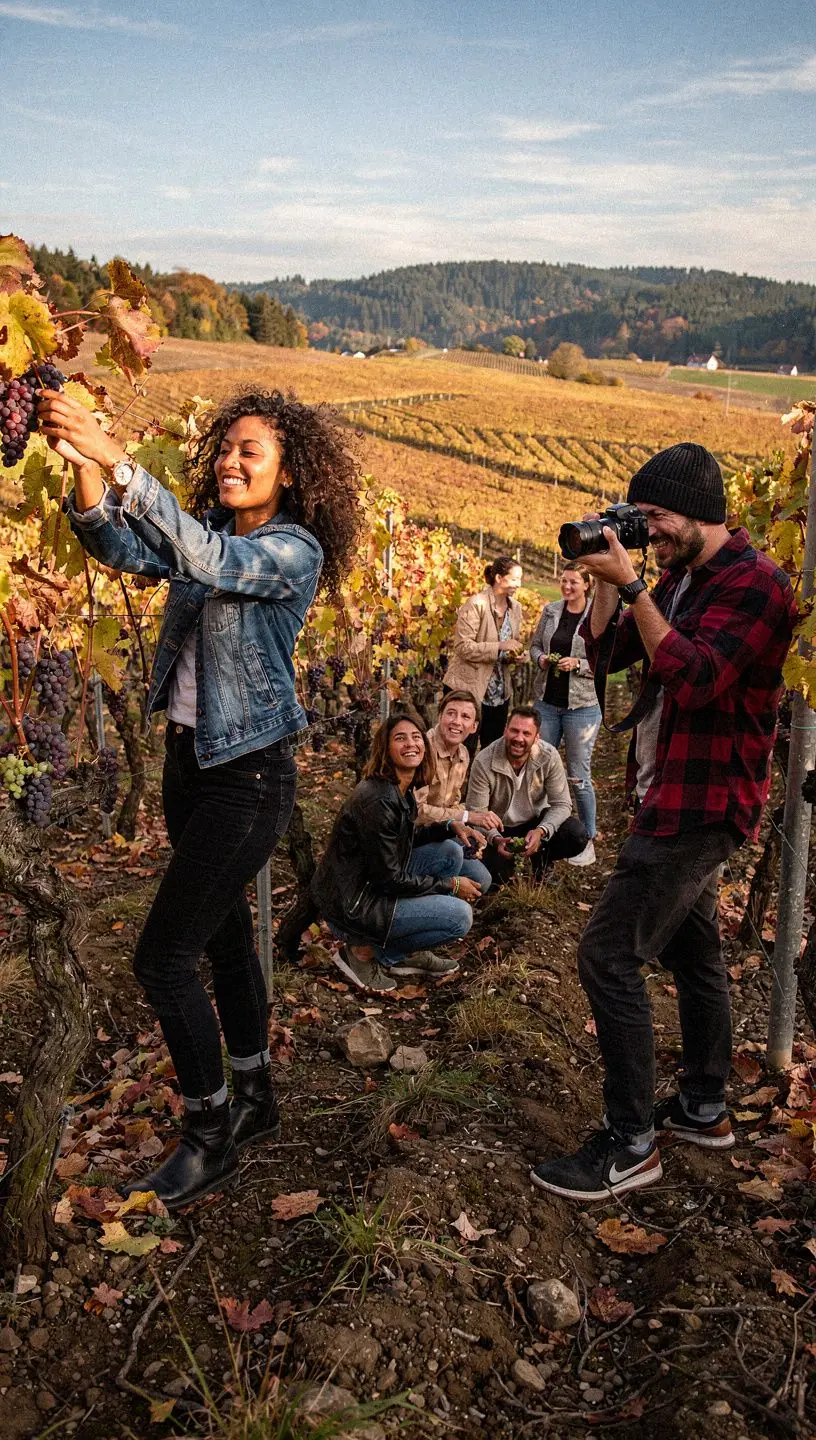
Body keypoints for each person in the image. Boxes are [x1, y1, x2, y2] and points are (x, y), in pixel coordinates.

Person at [39, 385, 361, 1208]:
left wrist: (116, 455)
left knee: (161, 960)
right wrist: (83, 467)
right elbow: (121, 546)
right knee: (221, 947)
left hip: (249, 777)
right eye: (226, 448)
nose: (230, 461)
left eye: (250, 452)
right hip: (192, 766)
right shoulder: (209, 532)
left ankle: (209, 1132)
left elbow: (210, 565)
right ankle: (253, 1098)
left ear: (289, 475)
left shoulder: (292, 551)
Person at [531, 443, 797, 1203]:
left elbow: (693, 674)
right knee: (694, 947)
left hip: (702, 804)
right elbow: (607, 655)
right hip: (666, 788)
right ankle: (704, 1106)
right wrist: (610, 588)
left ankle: (630, 1143)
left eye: (655, 518)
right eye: (639, 519)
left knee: (608, 957)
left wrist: (637, 583)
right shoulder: (680, 573)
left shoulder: (755, 585)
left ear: (701, 511)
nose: (648, 533)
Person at [311, 708, 489, 990]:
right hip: (356, 906)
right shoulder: (379, 800)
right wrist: (449, 885)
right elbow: (389, 879)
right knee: (459, 917)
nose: (411, 744)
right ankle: (363, 953)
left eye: (416, 737)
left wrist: (447, 826)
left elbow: (404, 838)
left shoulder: (398, 788)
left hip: (367, 888)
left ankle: (403, 952)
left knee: (449, 852)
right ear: (386, 748)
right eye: (400, 739)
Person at [465, 707, 587, 884]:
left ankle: (542, 859)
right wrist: (496, 839)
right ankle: (508, 863)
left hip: (535, 822)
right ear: (505, 730)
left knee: (576, 835)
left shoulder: (548, 756)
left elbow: (562, 804)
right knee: (496, 877)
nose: (518, 738)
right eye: (514, 730)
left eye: (526, 733)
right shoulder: (484, 761)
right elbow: (476, 811)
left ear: (537, 737)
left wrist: (541, 830)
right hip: (499, 828)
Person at [530, 563, 601, 866]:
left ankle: (587, 838)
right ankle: (541, 832)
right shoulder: (550, 611)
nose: (567, 586)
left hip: (581, 707)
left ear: (587, 585)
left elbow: (605, 661)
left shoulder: (597, 617)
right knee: (536, 767)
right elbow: (533, 646)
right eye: (563, 581)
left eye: (574, 582)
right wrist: (543, 659)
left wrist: (579, 665)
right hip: (547, 702)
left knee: (577, 775)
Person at [443, 556, 524, 748]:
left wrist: (518, 655)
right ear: (498, 578)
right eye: (514, 579)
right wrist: (500, 647)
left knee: (492, 750)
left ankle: (482, 780)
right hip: (469, 689)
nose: (518, 584)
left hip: (498, 693)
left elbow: (512, 644)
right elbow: (463, 647)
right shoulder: (476, 604)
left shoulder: (516, 608)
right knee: (462, 749)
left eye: (520, 579)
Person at [414, 689, 504, 838]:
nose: (456, 721)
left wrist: (463, 827)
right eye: (451, 713)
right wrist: (466, 816)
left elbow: (453, 804)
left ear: (474, 727)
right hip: (415, 836)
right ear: (439, 716)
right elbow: (417, 811)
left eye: (465, 716)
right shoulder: (423, 751)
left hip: (441, 832)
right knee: (455, 853)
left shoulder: (463, 754)